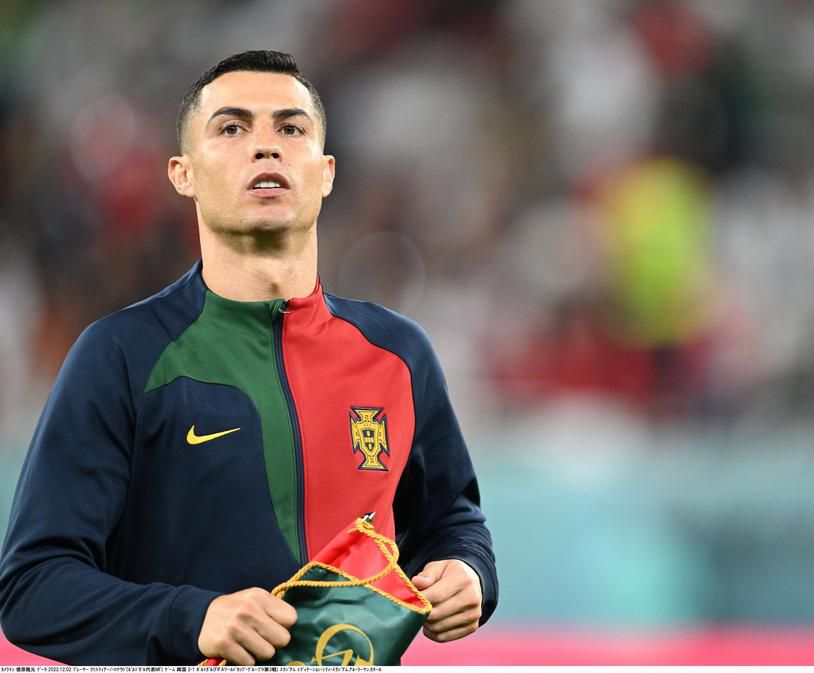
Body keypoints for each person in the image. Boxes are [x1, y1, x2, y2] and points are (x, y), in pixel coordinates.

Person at [0, 50, 498, 666]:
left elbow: (453, 522)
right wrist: (192, 617)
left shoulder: (399, 355)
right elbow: (32, 589)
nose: (266, 147)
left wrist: (470, 573)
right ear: (183, 173)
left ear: (326, 172)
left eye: (291, 129)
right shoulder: (121, 357)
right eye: (232, 128)